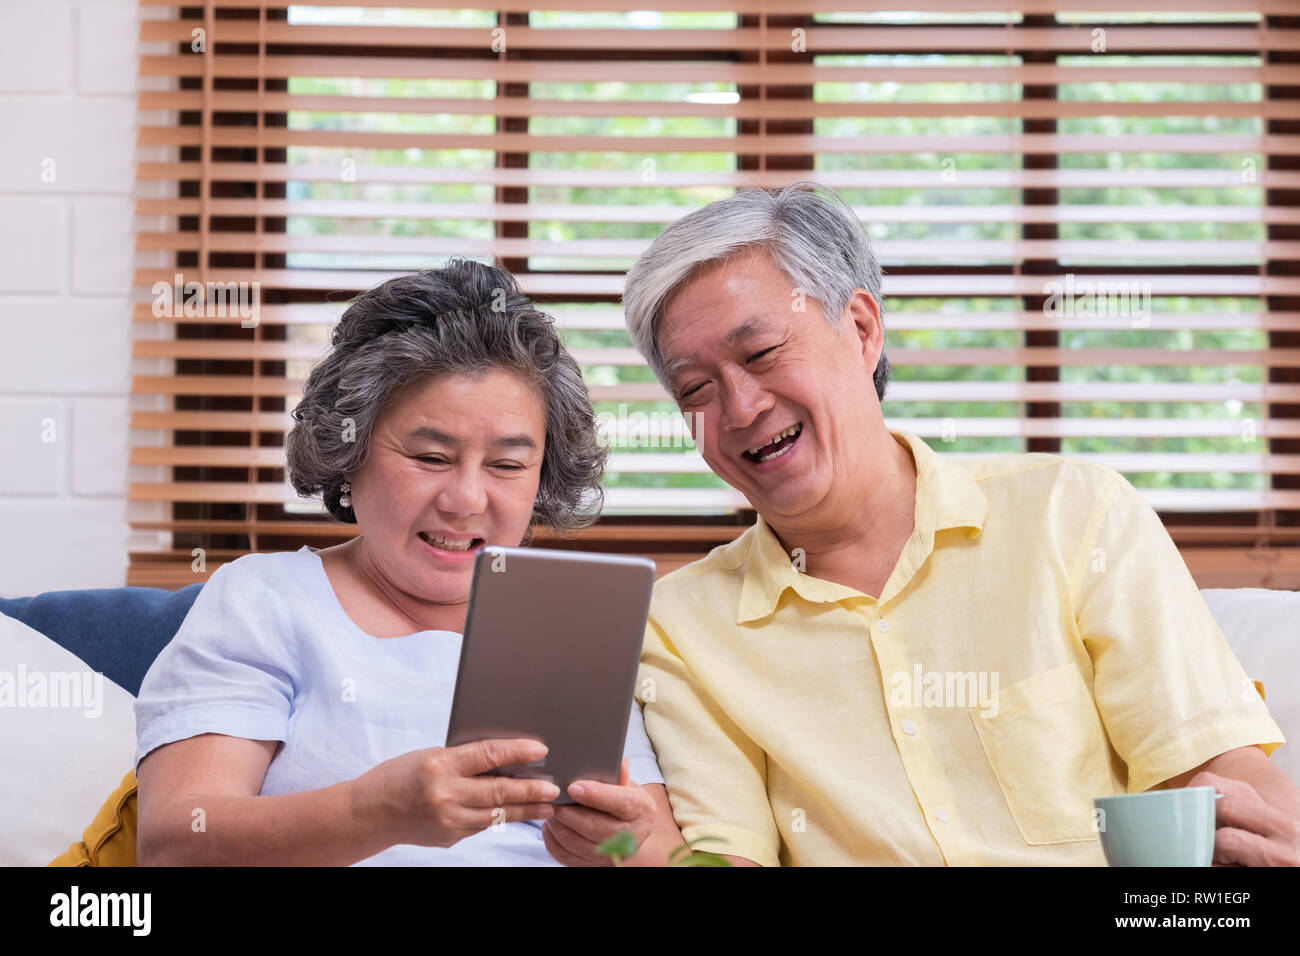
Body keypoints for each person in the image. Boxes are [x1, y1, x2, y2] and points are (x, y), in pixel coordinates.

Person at [621, 181, 1298, 866]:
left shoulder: (1071, 515)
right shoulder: (681, 626)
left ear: (860, 330)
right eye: (695, 390)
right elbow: (726, 857)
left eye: (762, 353)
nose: (738, 408)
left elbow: (1215, 775)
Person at [135, 259, 685, 866]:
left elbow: (660, 852)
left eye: (506, 466)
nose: (466, 500)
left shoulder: (570, 633)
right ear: (352, 451)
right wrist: (376, 813)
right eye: (429, 456)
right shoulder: (267, 599)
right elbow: (175, 844)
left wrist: (619, 848)